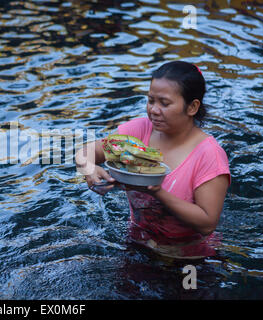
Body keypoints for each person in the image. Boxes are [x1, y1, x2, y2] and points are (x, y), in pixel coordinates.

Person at [75, 61, 231, 259]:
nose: (154, 110)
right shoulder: (139, 132)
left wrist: (157, 192)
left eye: (164, 103)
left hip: (190, 258)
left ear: (192, 107)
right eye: (151, 101)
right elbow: (86, 151)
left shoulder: (209, 155)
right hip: (136, 245)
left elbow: (207, 223)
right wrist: (88, 168)